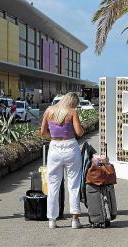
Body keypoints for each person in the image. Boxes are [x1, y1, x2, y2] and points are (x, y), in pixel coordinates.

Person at [40, 92, 84, 229]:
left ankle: (52, 220)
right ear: (73, 103)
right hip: (70, 147)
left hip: (54, 148)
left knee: (53, 184)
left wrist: (54, 134)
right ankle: (75, 220)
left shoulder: (49, 111)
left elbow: (42, 132)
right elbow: (79, 132)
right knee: (74, 184)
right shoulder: (72, 112)